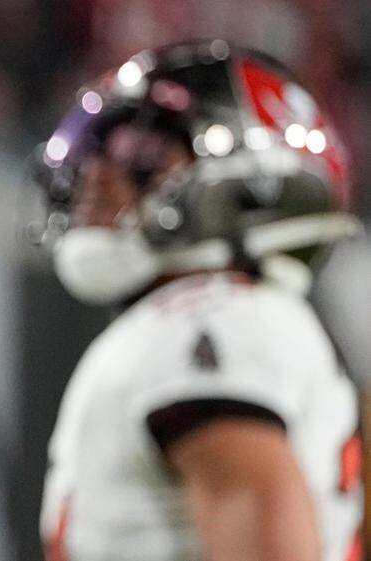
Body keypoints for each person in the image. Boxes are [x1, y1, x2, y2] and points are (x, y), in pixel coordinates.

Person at [30, 40, 364, 561]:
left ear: (253, 186)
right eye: (96, 153)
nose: (96, 176)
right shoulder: (228, 316)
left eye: (140, 152)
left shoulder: (209, 317)